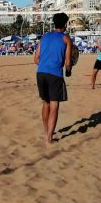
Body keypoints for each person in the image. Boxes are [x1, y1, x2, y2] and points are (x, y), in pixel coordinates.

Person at [33, 13, 72, 144]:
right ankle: (49, 138)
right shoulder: (66, 39)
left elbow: (36, 59)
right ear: (65, 24)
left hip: (41, 73)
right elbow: (67, 62)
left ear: (54, 23)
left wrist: (46, 65)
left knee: (46, 104)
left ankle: (46, 131)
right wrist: (68, 71)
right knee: (54, 106)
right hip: (55, 74)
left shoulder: (44, 37)